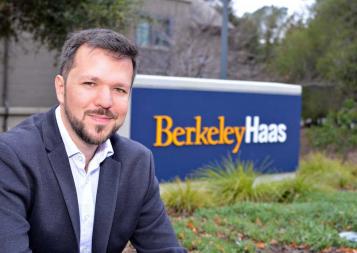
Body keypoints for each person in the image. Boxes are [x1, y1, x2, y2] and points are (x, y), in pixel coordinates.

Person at [0, 28, 186, 253]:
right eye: (90, 84)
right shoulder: (11, 157)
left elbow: (164, 249)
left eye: (119, 89)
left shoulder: (137, 163)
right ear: (61, 88)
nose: (105, 101)